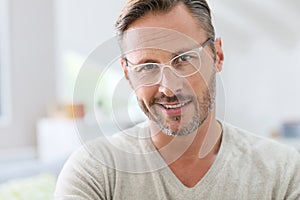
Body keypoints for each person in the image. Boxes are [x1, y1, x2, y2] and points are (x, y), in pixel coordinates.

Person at [54, 0, 300, 199]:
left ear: (218, 55)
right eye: (148, 67)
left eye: (183, 59)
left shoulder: (284, 173)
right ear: (128, 74)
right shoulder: (95, 173)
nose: (168, 88)